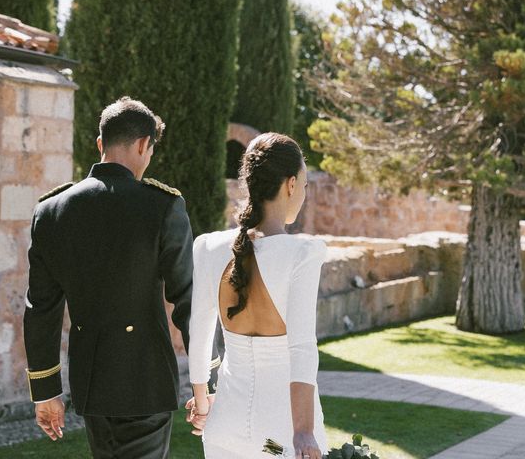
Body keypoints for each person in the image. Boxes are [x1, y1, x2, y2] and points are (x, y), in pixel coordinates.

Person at [23, 96, 215, 458]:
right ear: (145, 145)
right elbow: (189, 300)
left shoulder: (50, 211)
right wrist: (208, 384)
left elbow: (41, 308)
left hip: (91, 385)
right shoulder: (162, 206)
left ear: (100, 144)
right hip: (145, 382)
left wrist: (47, 391)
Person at [187, 133, 328, 459]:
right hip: (277, 443)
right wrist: (303, 432)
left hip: (222, 431)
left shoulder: (207, 246)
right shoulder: (302, 252)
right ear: (290, 185)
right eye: (305, 186)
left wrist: (203, 400)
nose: (304, 194)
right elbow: (302, 348)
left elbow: (200, 335)